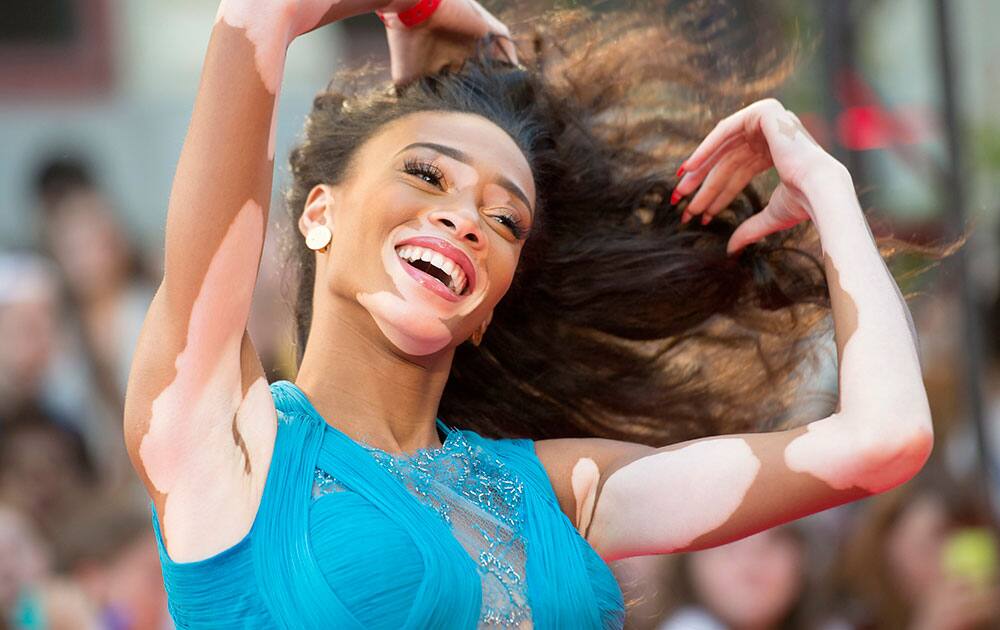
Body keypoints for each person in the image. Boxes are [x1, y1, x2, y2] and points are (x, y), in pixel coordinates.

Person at [123, 0, 937, 627]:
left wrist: (827, 190)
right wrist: (416, 7)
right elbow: (261, 14)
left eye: (505, 219)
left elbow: (882, 441)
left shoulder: (554, 490)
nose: (468, 219)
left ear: (489, 307)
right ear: (318, 214)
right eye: (427, 176)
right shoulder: (225, 443)